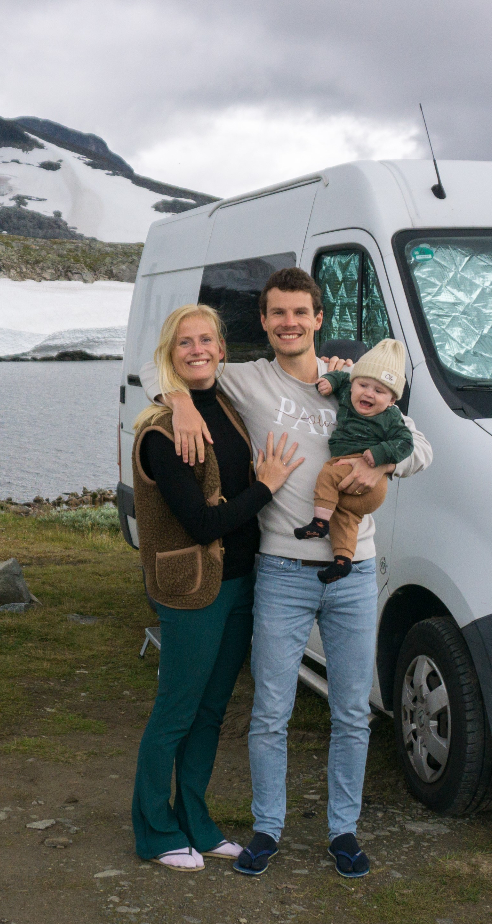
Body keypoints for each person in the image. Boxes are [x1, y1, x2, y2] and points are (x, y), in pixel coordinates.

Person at [142, 267, 431, 880]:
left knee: (351, 711)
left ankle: (343, 831)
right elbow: (168, 363)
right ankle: (267, 829)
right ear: (266, 322)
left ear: (319, 319)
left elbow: (421, 447)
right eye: (277, 313)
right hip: (281, 568)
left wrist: (382, 468)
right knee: (270, 710)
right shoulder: (248, 381)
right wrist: (177, 403)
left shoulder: (354, 384)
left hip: (352, 575)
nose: (289, 322)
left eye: (300, 312)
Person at [130, 303, 304, 872]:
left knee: (209, 713)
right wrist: (266, 486)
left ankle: (197, 823)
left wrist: (180, 396)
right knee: (175, 712)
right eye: (185, 343)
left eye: (207, 340)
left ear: (222, 351)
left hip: (240, 584)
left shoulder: (224, 405)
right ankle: (155, 831)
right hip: (191, 592)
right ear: (170, 353)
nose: (198, 350)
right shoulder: (161, 433)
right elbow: (203, 525)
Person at [293, 338, 414, 583]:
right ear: (353, 382)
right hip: (355, 496)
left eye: (379, 391)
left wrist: (380, 456)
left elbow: (407, 443)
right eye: (363, 385)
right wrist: (329, 380)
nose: (368, 393)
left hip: (368, 476)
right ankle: (342, 561)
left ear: (392, 401)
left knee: (328, 473)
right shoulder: (348, 389)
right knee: (345, 518)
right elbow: (340, 378)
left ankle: (318, 523)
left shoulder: (391, 417)